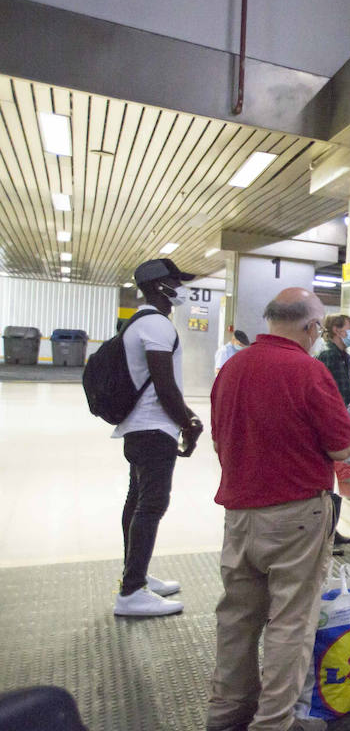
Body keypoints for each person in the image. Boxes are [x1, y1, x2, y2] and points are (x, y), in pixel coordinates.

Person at [205, 287, 350, 731]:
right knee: (291, 619)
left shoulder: (231, 367)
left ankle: (226, 711)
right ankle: (272, 727)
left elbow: (220, 437)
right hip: (295, 514)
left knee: (237, 616)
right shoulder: (307, 370)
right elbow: (341, 447)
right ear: (312, 328)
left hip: (239, 515)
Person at [111, 257, 202, 618]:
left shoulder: (140, 323)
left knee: (137, 503)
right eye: (177, 281)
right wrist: (189, 423)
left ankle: (135, 575)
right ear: (158, 286)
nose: (181, 288)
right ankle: (132, 591)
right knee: (151, 505)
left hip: (140, 427)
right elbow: (165, 387)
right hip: (153, 429)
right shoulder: (157, 326)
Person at [317, 313, 350, 552]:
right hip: (332, 426)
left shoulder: (342, 355)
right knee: (327, 483)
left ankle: (332, 531)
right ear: (335, 330)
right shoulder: (329, 355)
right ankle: (326, 536)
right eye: (348, 329)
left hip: (342, 424)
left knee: (338, 481)